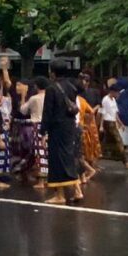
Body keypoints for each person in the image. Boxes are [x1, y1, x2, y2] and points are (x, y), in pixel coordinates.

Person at [40, 63, 80, 204]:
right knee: (68, 156)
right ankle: (77, 190)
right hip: (70, 126)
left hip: (57, 128)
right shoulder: (72, 86)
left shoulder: (51, 89)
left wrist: (43, 132)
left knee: (56, 160)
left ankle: (60, 195)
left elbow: (48, 112)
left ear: (53, 73)